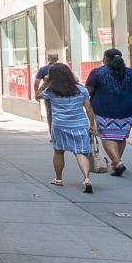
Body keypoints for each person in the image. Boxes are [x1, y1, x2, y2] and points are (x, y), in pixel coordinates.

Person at [85, 48, 132, 176]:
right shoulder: (131, 73)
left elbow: (88, 91)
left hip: (104, 109)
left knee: (107, 136)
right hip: (128, 109)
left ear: (105, 59)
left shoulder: (97, 73)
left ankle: (117, 162)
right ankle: (116, 163)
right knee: (120, 136)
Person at [41, 62, 98, 193]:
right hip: (79, 124)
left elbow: (38, 96)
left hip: (59, 125)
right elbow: (89, 108)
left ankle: (58, 179)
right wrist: (92, 124)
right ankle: (86, 178)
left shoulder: (50, 91)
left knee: (59, 151)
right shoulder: (81, 89)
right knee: (80, 152)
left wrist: (46, 82)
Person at [34, 52, 59, 140]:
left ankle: (53, 135)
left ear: (48, 59)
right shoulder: (63, 68)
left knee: (50, 114)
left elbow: (36, 82)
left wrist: (36, 93)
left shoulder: (43, 69)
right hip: (63, 94)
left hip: (49, 94)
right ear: (58, 59)